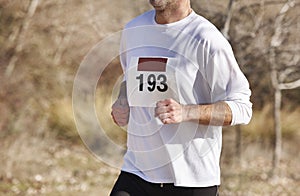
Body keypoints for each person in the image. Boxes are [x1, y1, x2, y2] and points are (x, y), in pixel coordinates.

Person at [110, 0, 252, 195]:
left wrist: (187, 112)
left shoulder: (207, 38)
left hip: (191, 180)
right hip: (137, 172)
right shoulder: (133, 30)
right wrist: (122, 100)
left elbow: (242, 107)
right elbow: (130, 77)